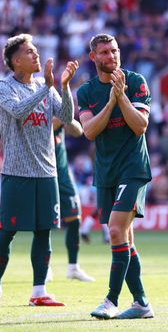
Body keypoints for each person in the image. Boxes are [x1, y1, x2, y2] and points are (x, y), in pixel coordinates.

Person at [0, 34, 78, 307]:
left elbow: (68, 118)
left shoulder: (44, 86)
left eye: (36, 50)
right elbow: (18, 111)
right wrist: (45, 87)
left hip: (47, 173)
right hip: (16, 173)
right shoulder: (4, 86)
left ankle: (39, 292)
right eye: (30, 51)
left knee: (44, 232)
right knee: (7, 232)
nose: (36, 55)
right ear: (16, 61)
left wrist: (64, 85)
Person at [77, 34, 154, 320]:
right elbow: (89, 131)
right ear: (93, 58)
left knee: (114, 230)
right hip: (106, 172)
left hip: (133, 168)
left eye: (115, 50)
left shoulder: (135, 82)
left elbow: (140, 126)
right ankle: (142, 303)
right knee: (124, 237)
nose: (112, 56)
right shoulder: (86, 92)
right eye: (105, 52)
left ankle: (111, 299)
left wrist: (121, 96)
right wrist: (111, 102)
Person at [49, 117, 95, 282]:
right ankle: (44, 267)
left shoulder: (57, 104)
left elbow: (78, 130)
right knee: (44, 224)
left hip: (63, 174)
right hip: (43, 173)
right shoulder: (34, 108)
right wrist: (49, 121)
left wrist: (65, 119)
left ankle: (73, 267)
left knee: (75, 219)